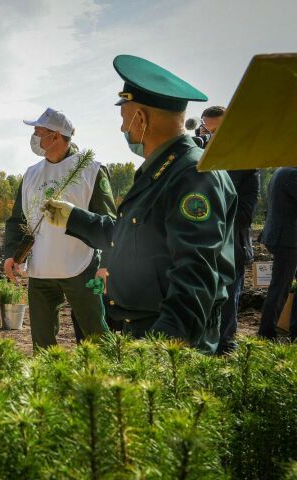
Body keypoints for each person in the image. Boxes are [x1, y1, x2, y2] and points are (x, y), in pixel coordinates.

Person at [43, 54, 237, 353]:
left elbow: (195, 277)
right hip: (144, 329)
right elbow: (130, 233)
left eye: (125, 120)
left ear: (141, 119)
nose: (123, 130)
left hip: (167, 340)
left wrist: (161, 352)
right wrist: (74, 219)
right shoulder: (161, 170)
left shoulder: (192, 176)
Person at [3, 108, 114, 349]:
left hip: (81, 268)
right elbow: (18, 220)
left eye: (38, 132)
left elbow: (109, 222)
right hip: (41, 271)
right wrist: (12, 254)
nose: (34, 137)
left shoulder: (92, 170)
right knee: (42, 343)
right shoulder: (31, 174)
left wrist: (106, 265)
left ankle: (106, 383)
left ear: (55, 136)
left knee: (96, 337)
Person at [200, 106, 260, 353]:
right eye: (208, 131)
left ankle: (225, 346)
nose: (213, 137)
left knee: (228, 300)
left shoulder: (247, 163)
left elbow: (245, 213)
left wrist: (210, 218)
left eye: (219, 131)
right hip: (202, 246)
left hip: (232, 245)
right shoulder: (199, 160)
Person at [258, 167, 297, 340]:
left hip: (284, 237)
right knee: (280, 287)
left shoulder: (282, 171)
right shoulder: (292, 174)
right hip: (288, 239)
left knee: (280, 286)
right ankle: (267, 333)